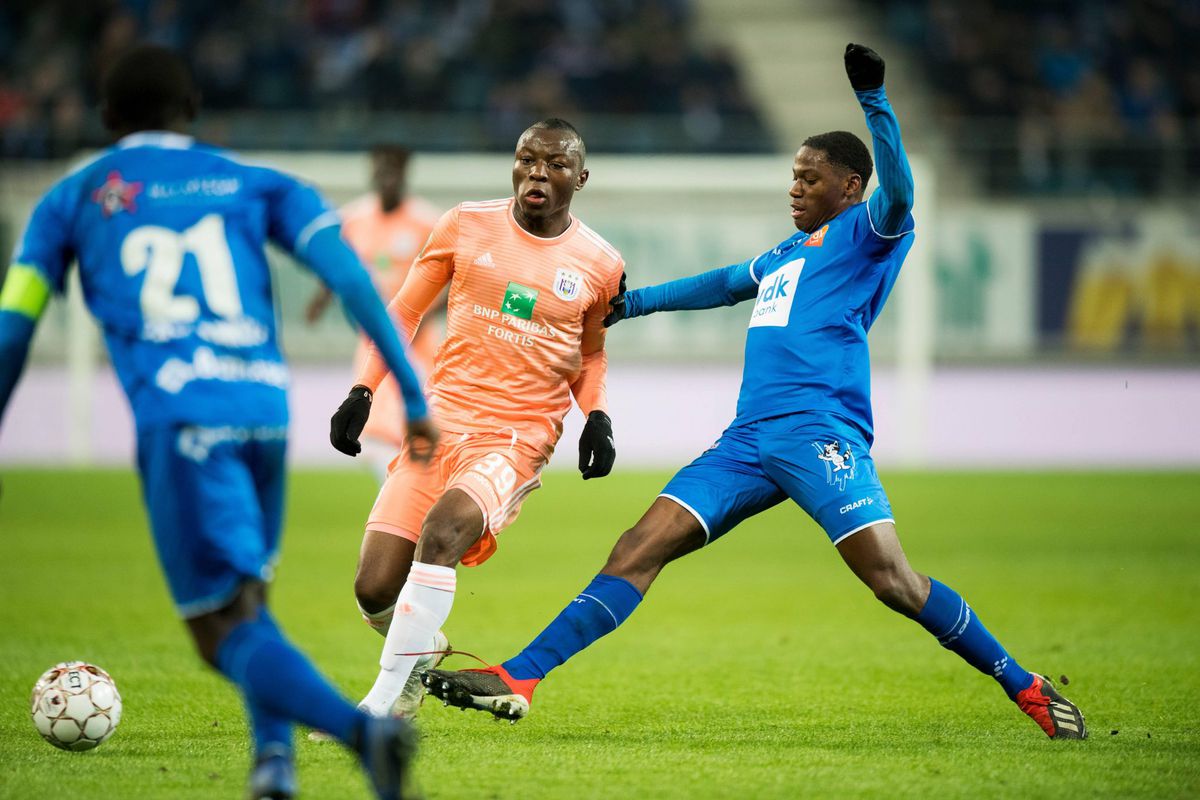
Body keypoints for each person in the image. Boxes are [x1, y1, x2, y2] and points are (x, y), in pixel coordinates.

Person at [423, 44, 1088, 741]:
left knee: (893, 581)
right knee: (637, 547)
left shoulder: (872, 231)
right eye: (793, 177)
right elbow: (720, 285)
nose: (795, 189)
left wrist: (874, 101)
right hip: (746, 440)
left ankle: (1024, 684)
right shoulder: (785, 254)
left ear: (850, 186)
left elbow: (903, 190)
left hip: (818, 433)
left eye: (809, 178)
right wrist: (635, 302)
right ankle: (520, 676)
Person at [0, 45, 435, 800]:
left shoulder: (70, 198)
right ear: (193, 109)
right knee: (252, 602)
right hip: (265, 411)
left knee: (219, 629)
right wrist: (414, 395)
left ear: (106, 118)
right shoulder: (261, 183)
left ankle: (365, 733)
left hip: (182, 417)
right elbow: (352, 279)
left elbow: (13, 326)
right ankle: (275, 763)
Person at [327, 117, 624, 721]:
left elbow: (590, 352)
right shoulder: (465, 224)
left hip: (516, 437)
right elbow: (403, 312)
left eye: (556, 164)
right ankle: (420, 650)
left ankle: (382, 709)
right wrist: (362, 389)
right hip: (439, 424)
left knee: (442, 535)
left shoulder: (599, 263)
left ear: (581, 178)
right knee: (374, 587)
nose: (537, 173)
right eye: (526, 159)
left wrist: (597, 416)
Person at [304, 145, 443, 482]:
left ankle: (415, 492)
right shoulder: (353, 218)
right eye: (380, 169)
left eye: (392, 170)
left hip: (418, 343)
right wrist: (320, 300)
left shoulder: (427, 221)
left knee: (423, 421)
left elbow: (449, 278)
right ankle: (396, 496)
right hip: (373, 344)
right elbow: (340, 266)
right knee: (377, 426)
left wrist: (422, 315)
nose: (386, 178)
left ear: (405, 174)